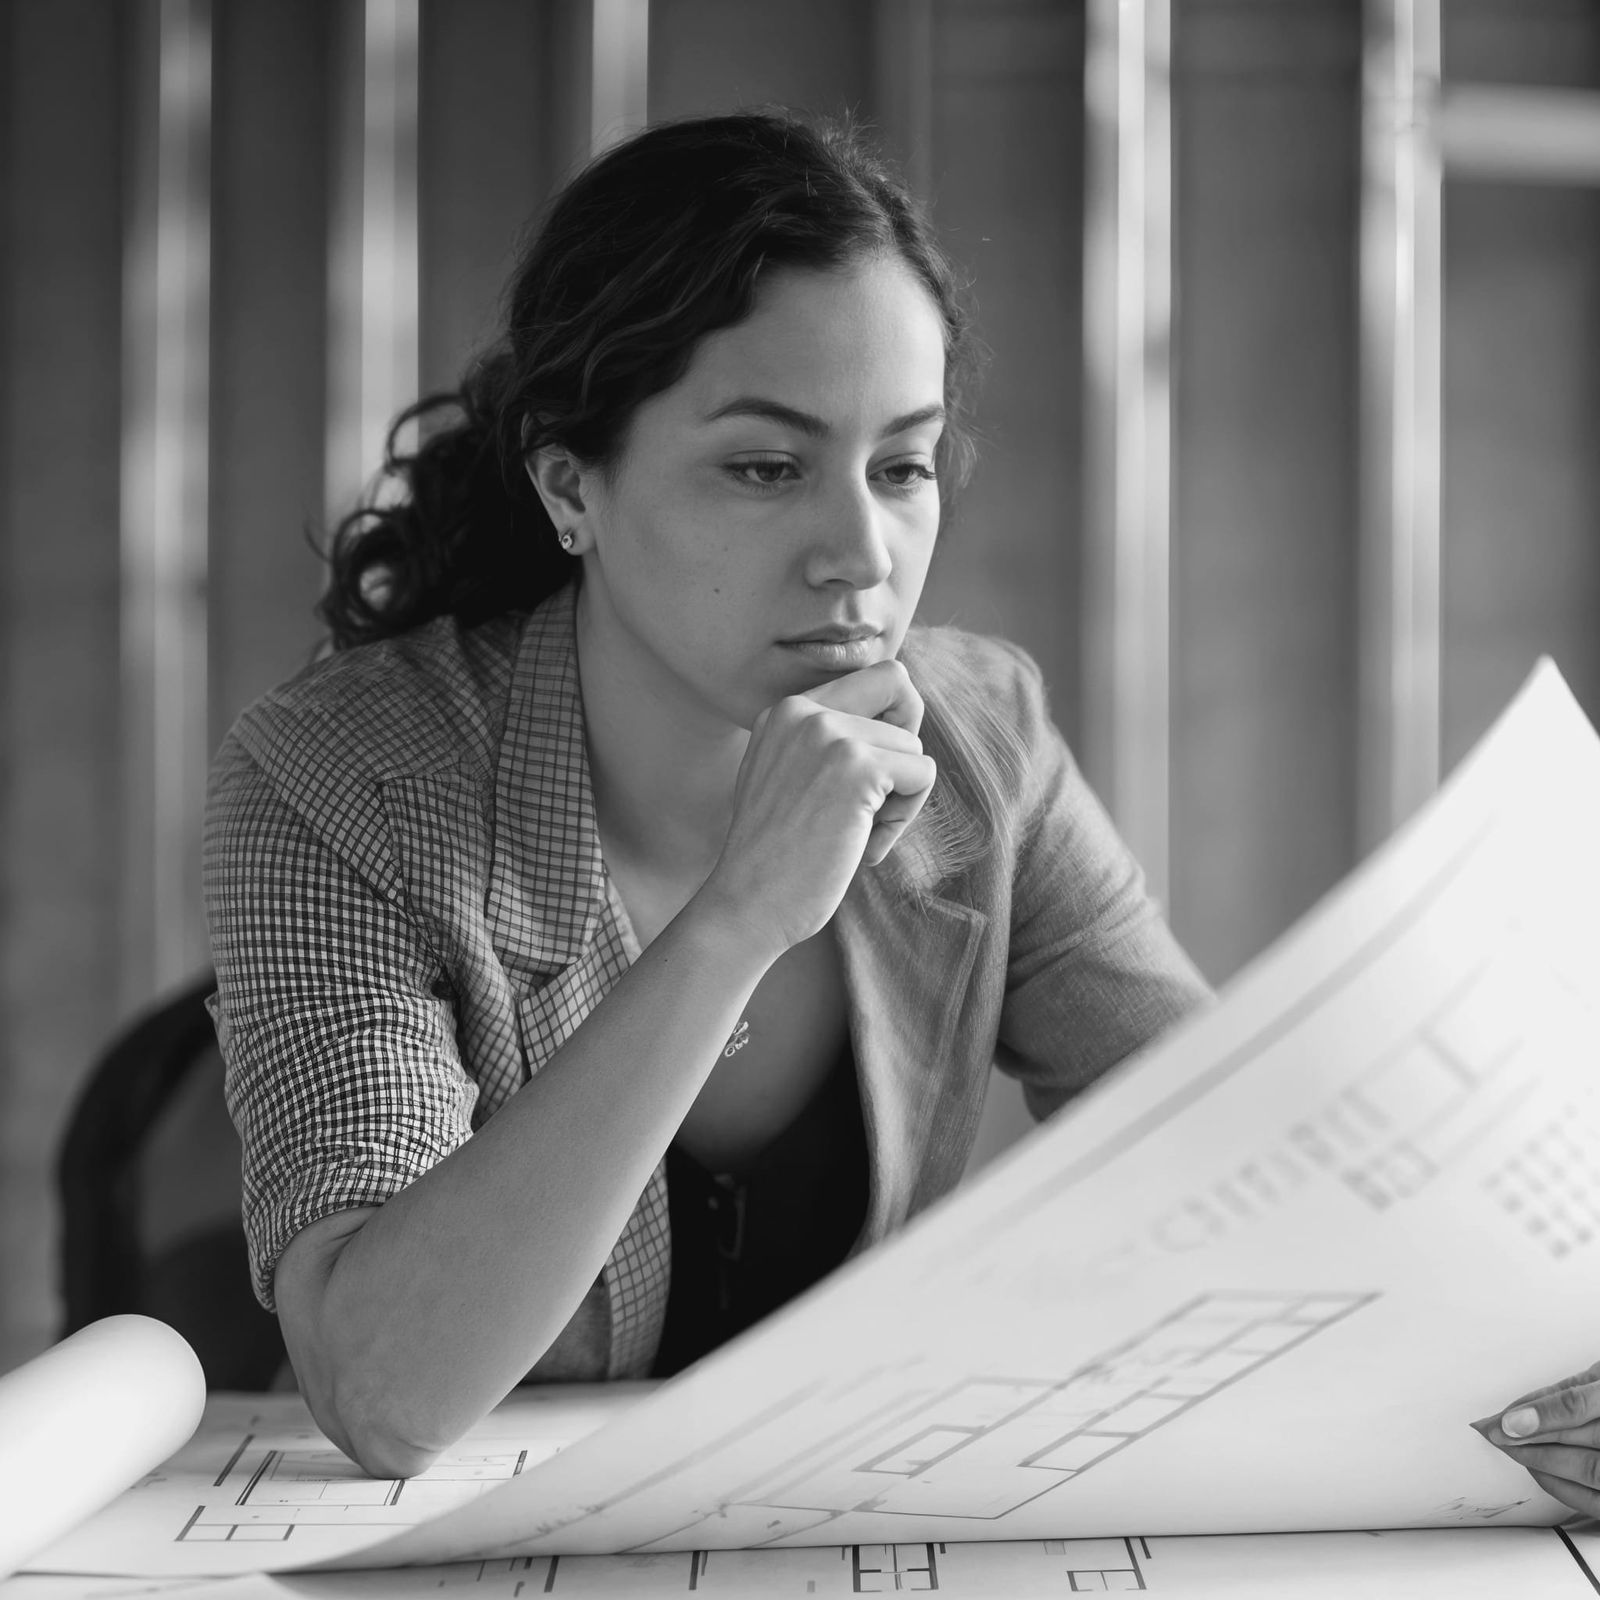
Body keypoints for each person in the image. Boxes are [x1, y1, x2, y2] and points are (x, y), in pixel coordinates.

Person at [203, 109, 1584, 1515]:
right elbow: (386, 1393)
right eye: (765, 467)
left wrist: (1528, 1362)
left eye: (903, 466)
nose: (861, 555)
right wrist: (740, 916)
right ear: (572, 485)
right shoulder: (343, 779)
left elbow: (1236, 1167)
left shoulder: (985, 744)